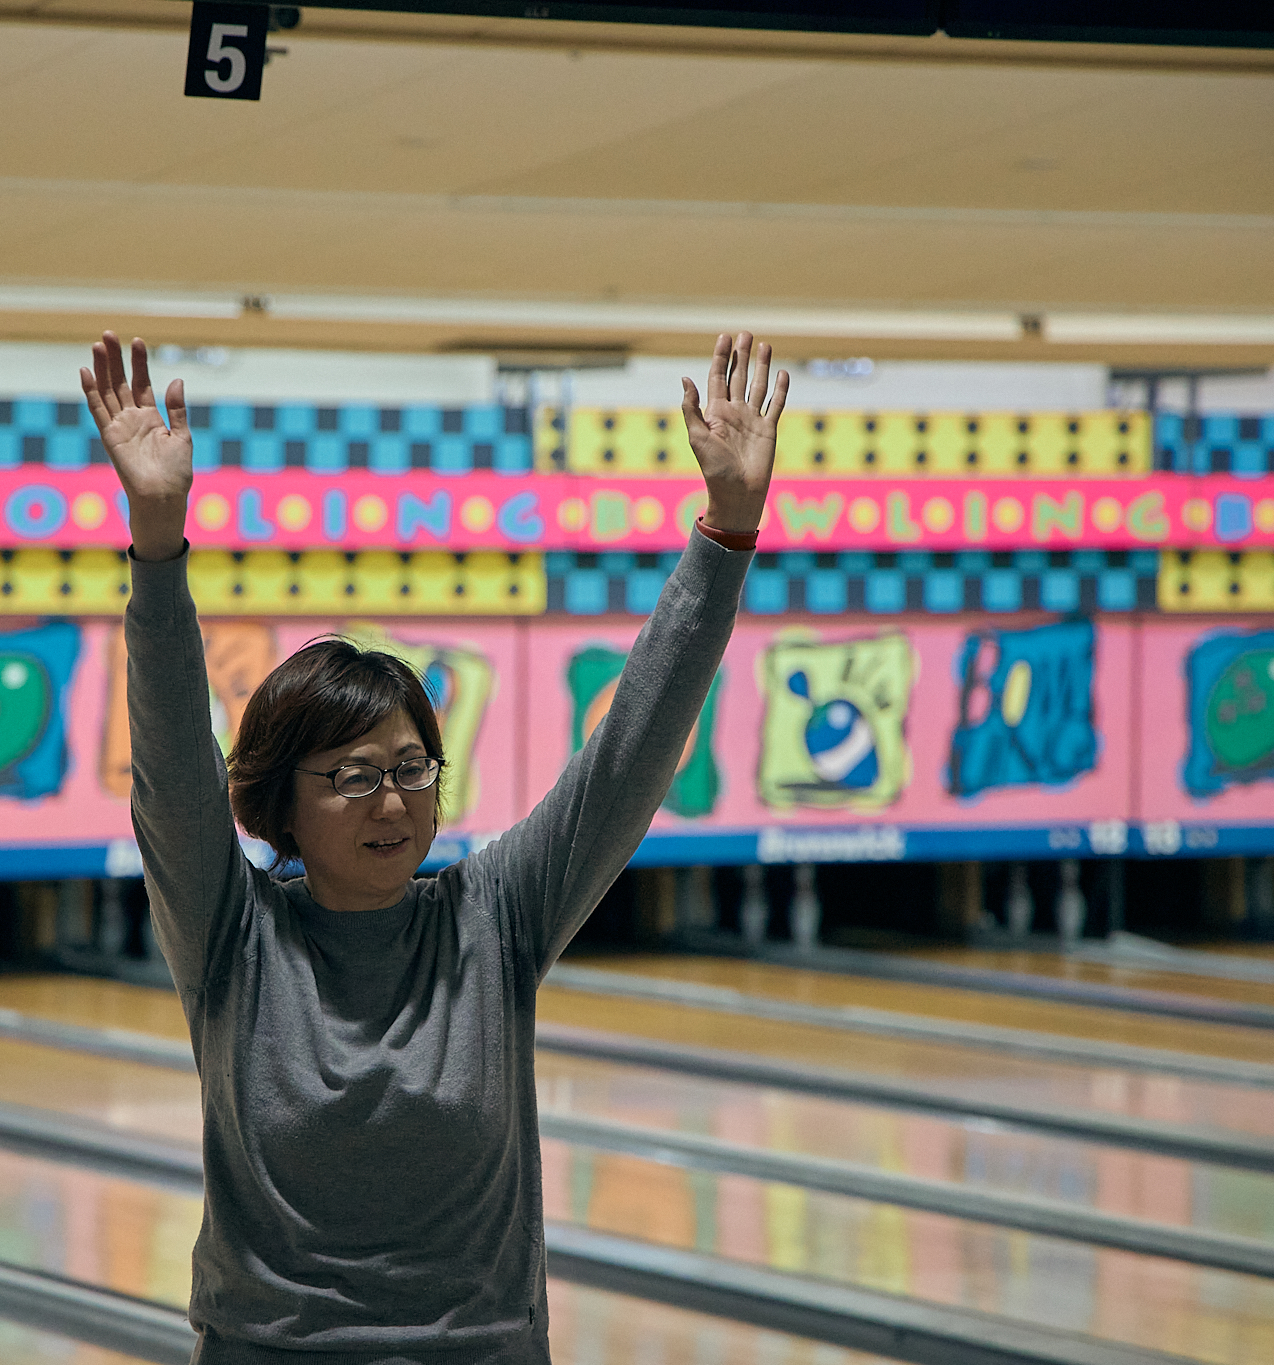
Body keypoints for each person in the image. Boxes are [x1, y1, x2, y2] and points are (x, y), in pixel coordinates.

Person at [82, 329, 784, 1364]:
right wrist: (154, 541)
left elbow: (629, 754)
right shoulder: (234, 939)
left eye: (411, 768)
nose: (392, 801)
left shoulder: (491, 918)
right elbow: (172, 771)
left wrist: (725, 532)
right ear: (282, 804)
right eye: (353, 777)